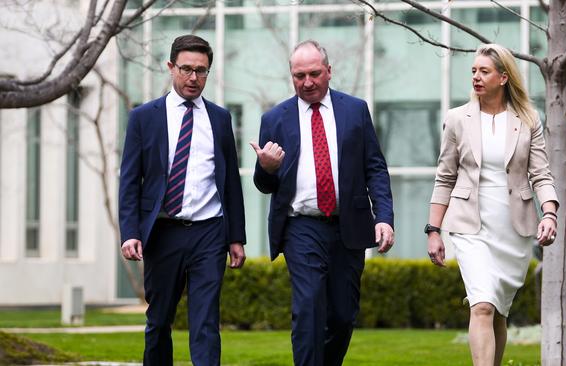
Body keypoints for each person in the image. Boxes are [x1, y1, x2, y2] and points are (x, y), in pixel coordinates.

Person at [250, 39, 394, 366]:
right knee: (309, 307)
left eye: (314, 73)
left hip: (350, 226)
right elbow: (263, 184)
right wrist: (266, 168)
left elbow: (374, 166)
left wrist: (383, 216)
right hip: (301, 226)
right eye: (299, 76)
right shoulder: (275, 118)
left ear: (329, 71)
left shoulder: (354, 110)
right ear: (291, 77)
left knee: (343, 316)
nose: (308, 82)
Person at [426, 43, 559, 366]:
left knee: (498, 309)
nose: (476, 77)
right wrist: (433, 230)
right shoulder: (457, 119)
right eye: (473, 71)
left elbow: (540, 173)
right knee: (482, 305)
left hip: (512, 229)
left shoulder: (528, 119)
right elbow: (445, 176)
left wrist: (550, 213)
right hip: (470, 226)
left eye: (484, 71)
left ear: (503, 77)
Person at [118, 34, 246, 366]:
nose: (193, 78)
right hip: (163, 232)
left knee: (205, 322)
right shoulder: (144, 117)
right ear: (171, 67)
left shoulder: (220, 119)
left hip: (209, 232)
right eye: (186, 69)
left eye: (201, 71)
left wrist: (236, 237)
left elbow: (230, 180)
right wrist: (130, 231)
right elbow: (130, 180)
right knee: (159, 320)